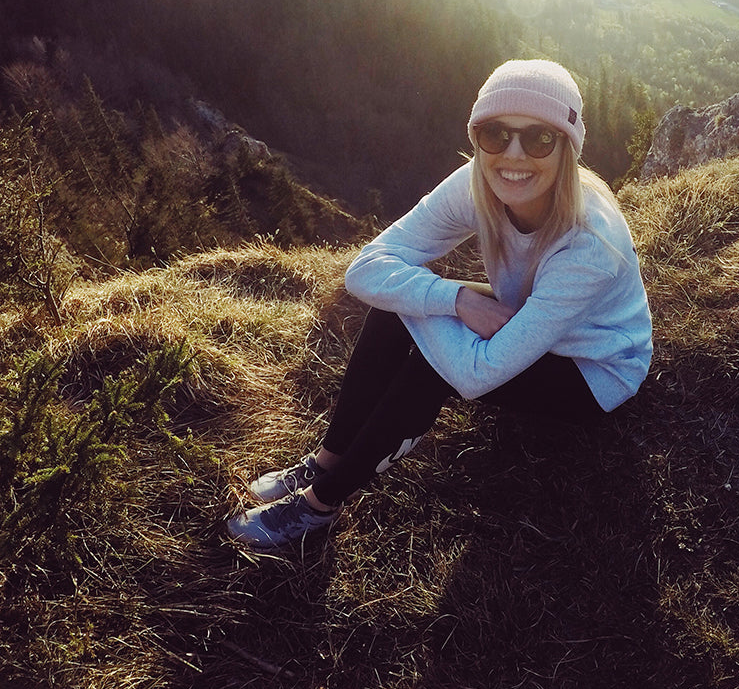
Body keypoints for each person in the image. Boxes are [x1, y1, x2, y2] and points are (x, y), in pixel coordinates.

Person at [227, 59, 653, 547]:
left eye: (539, 138)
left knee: (431, 360)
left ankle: (318, 504)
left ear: (568, 149)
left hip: (593, 365)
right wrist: (451, 298)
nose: (513, 155)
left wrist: (428, 301)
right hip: (529, 313)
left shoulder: (589, 242)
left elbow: (476, 375)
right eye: (495, 134)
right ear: (477, 139)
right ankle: (328, 457)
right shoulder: (479, 181)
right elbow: (366, 269)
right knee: (400, 306)